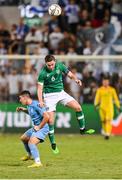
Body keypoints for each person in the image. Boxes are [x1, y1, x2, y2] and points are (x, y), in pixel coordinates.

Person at [37, 55, 95, 146]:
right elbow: (39, 89)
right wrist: (40, 101)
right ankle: (53, 143)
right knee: (51, 121)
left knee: (78, 108)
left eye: (52, 64)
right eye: (49, 65)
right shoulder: (42, 73)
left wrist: (76, 79)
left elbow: (70, 74)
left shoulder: (60, 66)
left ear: (55, 61)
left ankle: (82, 130)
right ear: (46, 64)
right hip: (49, 96)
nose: (51, 67)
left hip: (61, 93)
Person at [16, 90, 49, 168]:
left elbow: (47, 117)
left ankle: (38, 162)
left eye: (20, 98)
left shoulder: (36, 104)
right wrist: (23, 110)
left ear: (25, 97)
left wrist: (39, 127)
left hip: (42, 128)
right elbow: (32, 112)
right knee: (24, 138)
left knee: (31, 142)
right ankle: (29, 155)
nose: (20, 100)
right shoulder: (29, 105)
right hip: (36, 127)